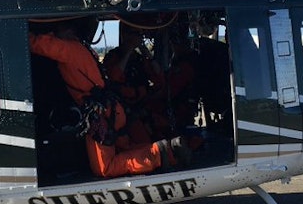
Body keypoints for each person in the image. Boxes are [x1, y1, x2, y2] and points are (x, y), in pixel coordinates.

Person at [29, 20, 189, 178]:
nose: (55, 35)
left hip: (102, 116)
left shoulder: (69, 48)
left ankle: (159, 154)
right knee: (125, 150)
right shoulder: (83, 49)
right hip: (113, 111)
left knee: (105, 168)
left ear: (69, 31)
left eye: (58, 31)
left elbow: (36, 44)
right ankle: (170, 149)